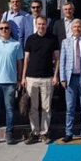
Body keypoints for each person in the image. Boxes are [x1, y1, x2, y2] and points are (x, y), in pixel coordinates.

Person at [22, 16, 60, 145]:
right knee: (33, 107)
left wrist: (55, 76)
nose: (41, 26)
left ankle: (44, 133)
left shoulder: (53, 39)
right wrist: (23, 77)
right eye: (39, 24)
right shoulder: (30, 39)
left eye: (43, 24)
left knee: (46, 107)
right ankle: (34, 133)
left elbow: (57, 59)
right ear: (36, 25)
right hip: (31, 77)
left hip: (47, 77)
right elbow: (26, 59)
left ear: (47, 25)